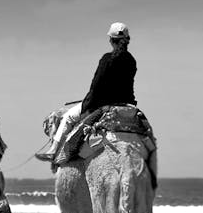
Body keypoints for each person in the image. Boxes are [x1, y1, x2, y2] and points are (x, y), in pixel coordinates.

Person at [36, 21, 137, 164]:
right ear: (127, 40)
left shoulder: (107, 59)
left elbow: (95, 86)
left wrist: (86, 105)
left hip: (102, 105)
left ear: (110, 40)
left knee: (69, 118)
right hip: (127, 105)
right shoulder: (131, 61)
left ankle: (53, 151)